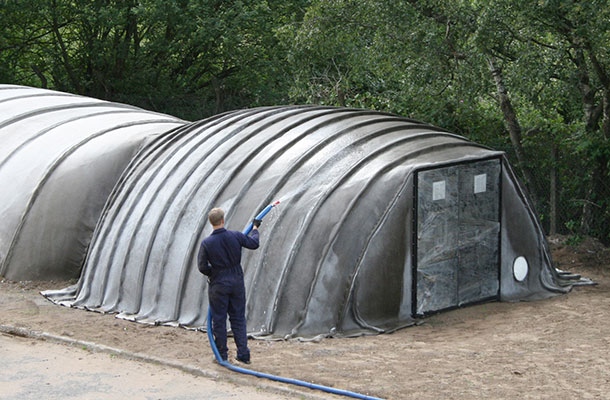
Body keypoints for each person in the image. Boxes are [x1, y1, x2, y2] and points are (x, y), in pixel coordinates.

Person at [197, 207, 261, 364]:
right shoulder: (236, 236)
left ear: (211, 223)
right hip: (236, 281)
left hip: (218, 283)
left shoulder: (207, 243)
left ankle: (222, 355)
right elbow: (253, 244)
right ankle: (244, 355)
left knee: (219, 320)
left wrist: (213, 272)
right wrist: (255, 229)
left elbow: (202, 267)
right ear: (223, 220)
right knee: (238, 318)